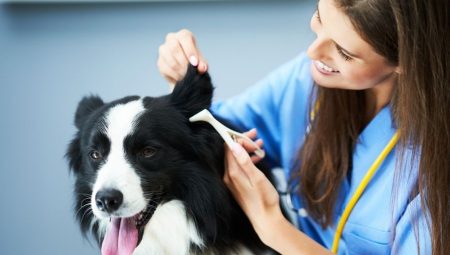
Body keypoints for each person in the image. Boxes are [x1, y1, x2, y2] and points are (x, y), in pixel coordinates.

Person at [156, 0, 449, 254]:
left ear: (408, 61)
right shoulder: (307, 79)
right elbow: (213, 127)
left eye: (345, 53)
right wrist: (185, 84)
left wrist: (273, 227)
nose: (313, 51)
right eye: (319, 18)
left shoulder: (433, 168)